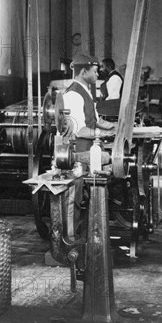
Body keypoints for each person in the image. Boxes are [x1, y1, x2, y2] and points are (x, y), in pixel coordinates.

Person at [61, 53, 117, 240]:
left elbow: (94, 119)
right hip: (79, 149)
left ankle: (90, 233)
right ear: (84, 71)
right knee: (74, 195)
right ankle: (70, 239)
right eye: (94, 71)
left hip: (89, 148)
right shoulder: (73, 94)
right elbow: (80, 130)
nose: (97, 74)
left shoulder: (86, 90)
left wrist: (115, 127)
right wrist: (104, 134)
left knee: (92, 189)